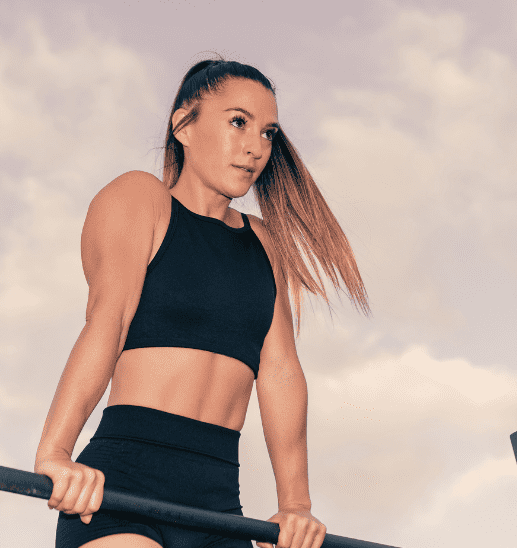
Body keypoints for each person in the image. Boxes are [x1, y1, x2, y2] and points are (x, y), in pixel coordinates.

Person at [34, 58, 371, 548]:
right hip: (124, 484)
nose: (256, 147)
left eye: (268, 132)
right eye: (238, 122)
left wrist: (296, 505)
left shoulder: (263, 241)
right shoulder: (141, 198)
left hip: (218, 504)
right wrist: (55, 453)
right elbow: (108, 321)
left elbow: (279, 372)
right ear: (184, 125)